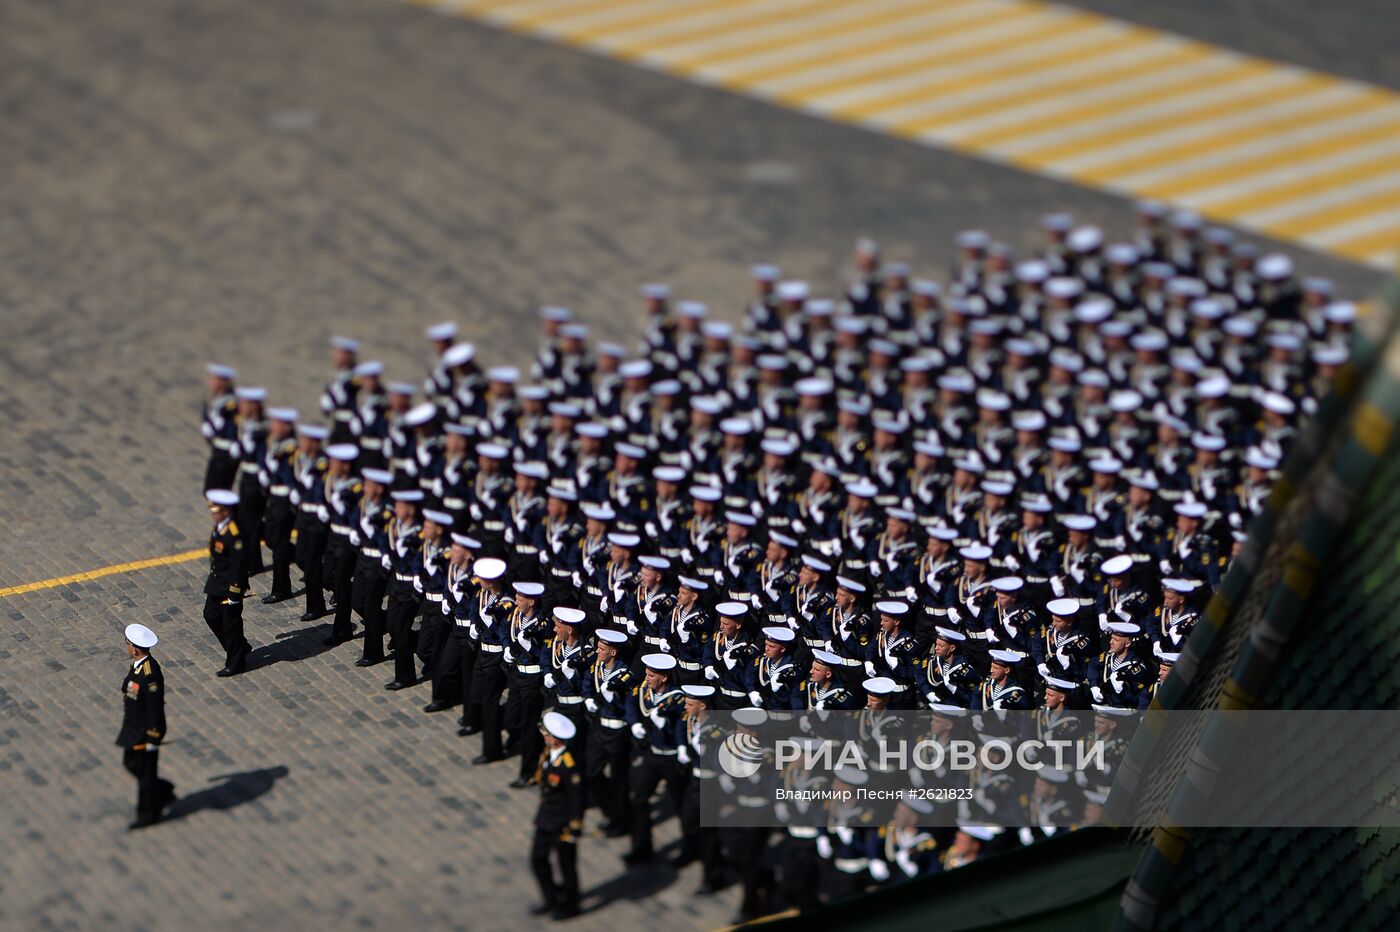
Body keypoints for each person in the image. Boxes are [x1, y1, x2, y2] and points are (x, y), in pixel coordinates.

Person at [529, 711, 585, 921]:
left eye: (546, 733)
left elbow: (578, 797)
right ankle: (551, 898)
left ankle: (571, 905)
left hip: (562, 822)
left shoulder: (570, 765)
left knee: (566, 866)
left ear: (554, 737)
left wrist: (575, 825)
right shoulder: (548, 753)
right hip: (546, 816)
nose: (543, 736)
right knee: (537, 859)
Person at [118, 624, 174, 829]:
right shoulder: (138, 665)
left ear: (134, 649)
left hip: (145, 730)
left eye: (127, 644)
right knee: (131, 763)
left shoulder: (149, 674)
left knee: (146, 775)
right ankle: (164, 790)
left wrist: (152, 737)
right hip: (133, 726)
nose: (126, 646)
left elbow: (154, 708)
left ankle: (147, 814)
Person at [203, 489, 252, 677]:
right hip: (217, 583)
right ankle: (240, 647)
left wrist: (234, 594)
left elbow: (239, 567)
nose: (212, 514)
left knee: (231, 625)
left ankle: (236, 662)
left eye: (216, 510)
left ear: (226, 511)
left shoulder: (234, 534)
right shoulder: (221, 526)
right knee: (211, 615)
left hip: (230, 587)